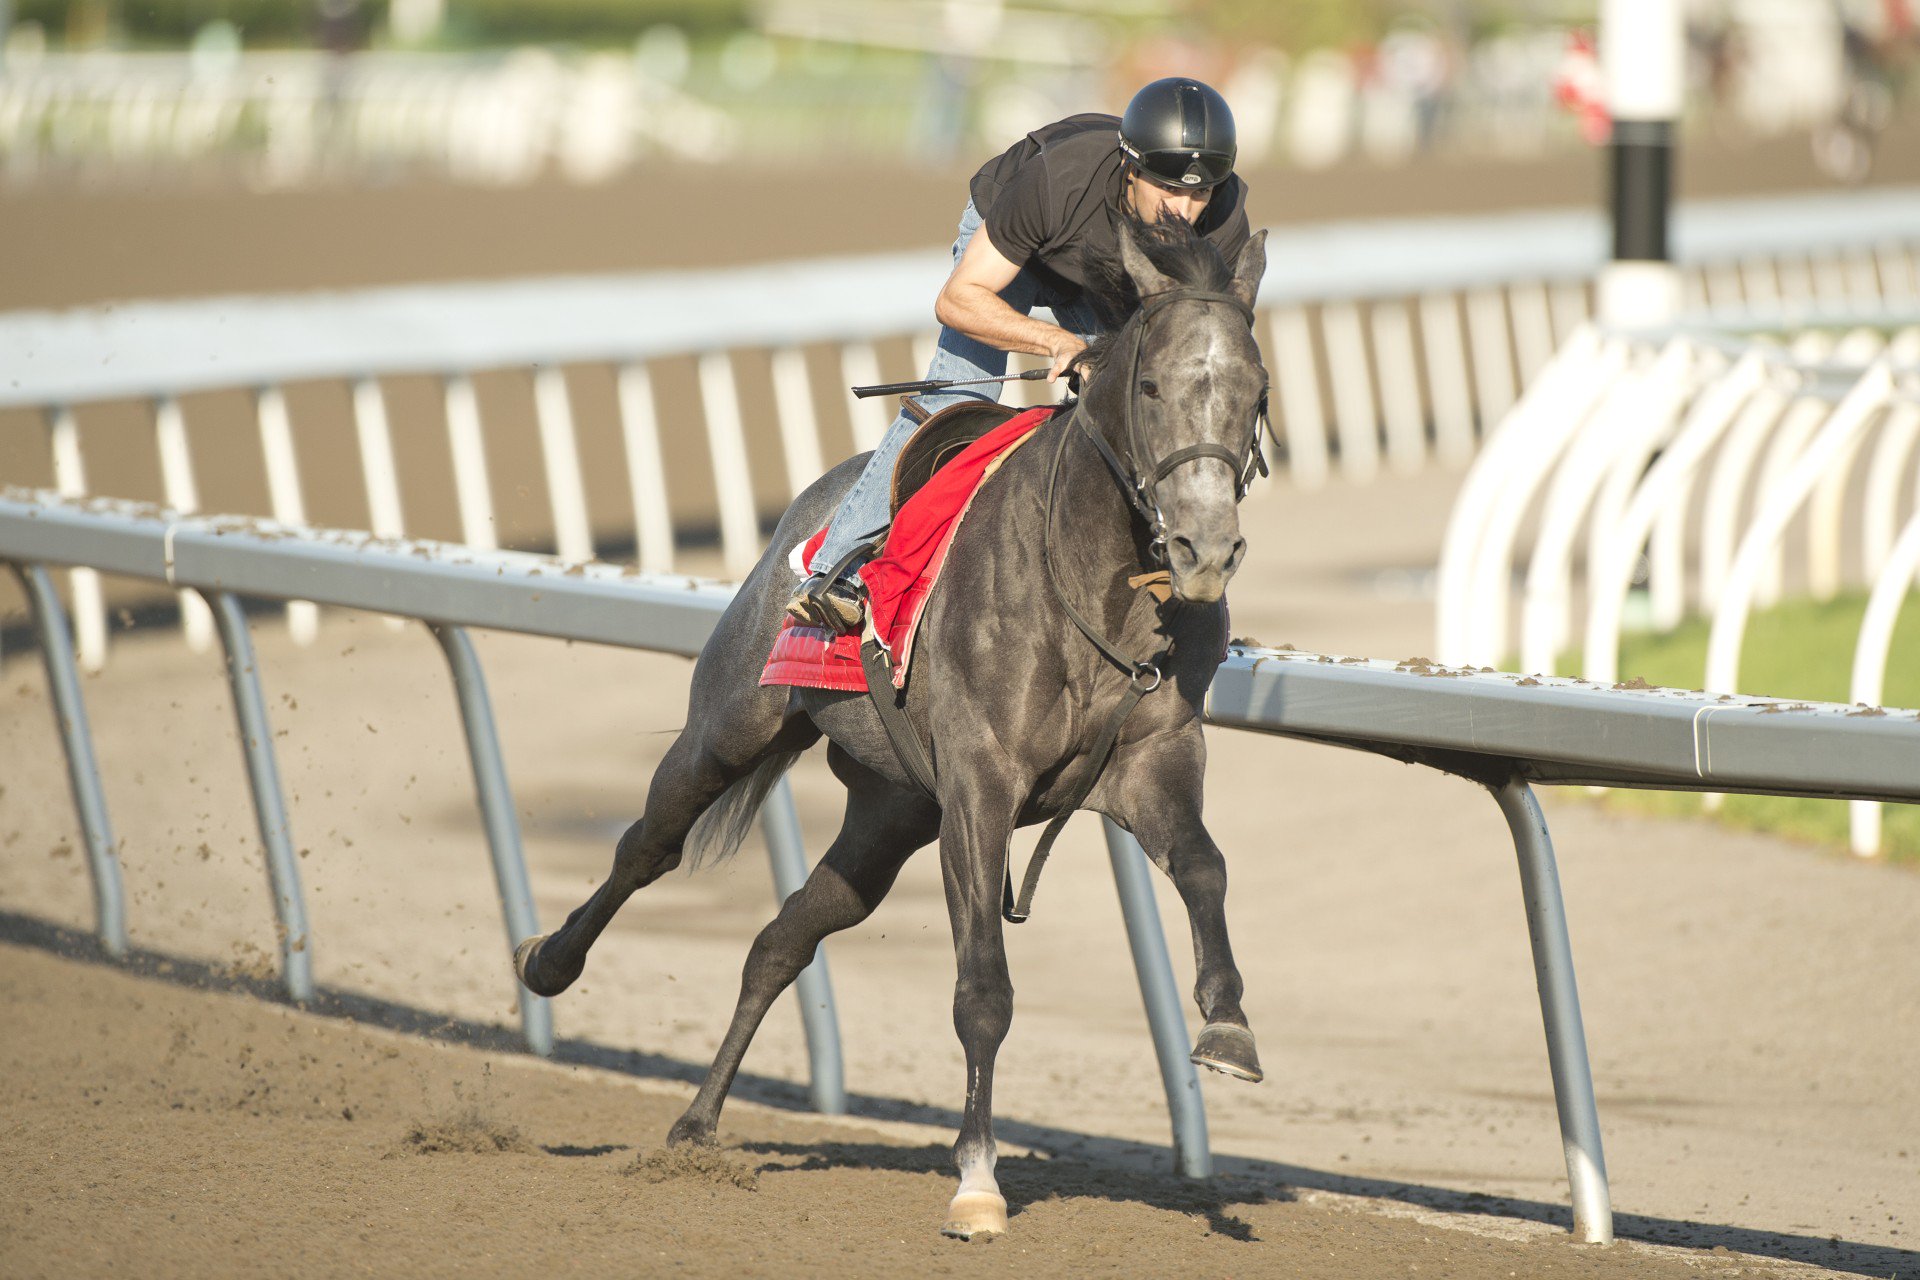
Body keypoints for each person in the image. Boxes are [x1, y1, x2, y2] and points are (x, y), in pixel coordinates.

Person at [786, 76, 1253, 632]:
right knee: (962, 390)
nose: (1185, 210)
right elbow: (958, 300)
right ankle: (835, 566)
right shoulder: (1059, 181)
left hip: (1104, 272)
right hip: (1015, 255)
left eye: (1199, 193)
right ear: (1131, 167)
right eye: (1168, 189)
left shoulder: (1224, 219)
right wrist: (1056, 341)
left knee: (1148, 405)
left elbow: (1203, 355)